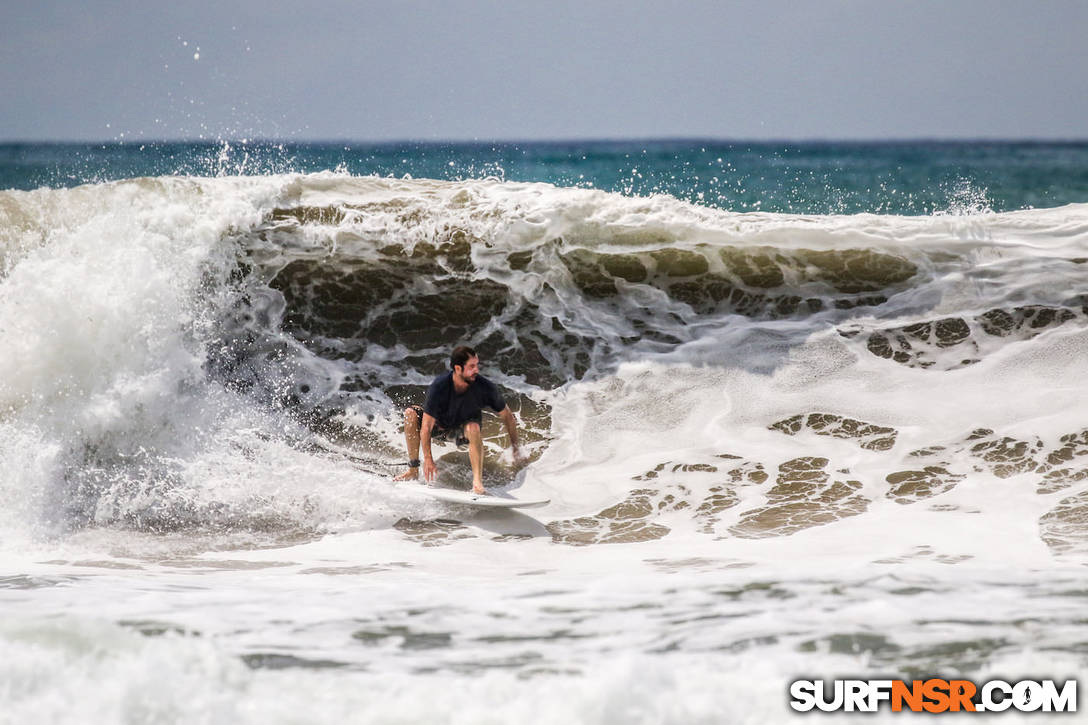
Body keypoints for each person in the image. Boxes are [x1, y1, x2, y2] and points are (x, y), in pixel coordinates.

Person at [393, 345, 522, 494]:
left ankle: (477, 484)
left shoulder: (484, 387)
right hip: (439, 428)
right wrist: (428, 459)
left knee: (473, 427)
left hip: (462, 433)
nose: (476, 370)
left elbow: (508, 416)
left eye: (477, 365)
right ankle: (413, 470)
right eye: (471, 366)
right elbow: (427, 427)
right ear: (458, 368)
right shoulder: (440, 386)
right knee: (410, 413)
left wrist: (516, 447)